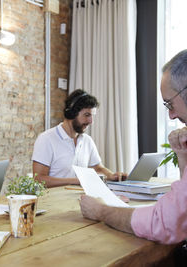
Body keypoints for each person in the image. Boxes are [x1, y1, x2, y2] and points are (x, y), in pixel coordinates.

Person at [79, 49, 187, 245]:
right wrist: (182, 155)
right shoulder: (48, 138)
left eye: (169, 104)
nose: (171, 116)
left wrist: (101, 211)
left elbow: (165, 223)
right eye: (87, 115)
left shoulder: (87, 141)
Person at [32, 89, 127, 187]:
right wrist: (76, 181)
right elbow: (39, 179)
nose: (91, 121)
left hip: (82, 198)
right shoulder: (46, 139)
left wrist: (111, 175)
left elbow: (97, 168)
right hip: (55, 199)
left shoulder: (87, 140)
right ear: (72, 113)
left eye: (92, 116)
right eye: (87, 115)